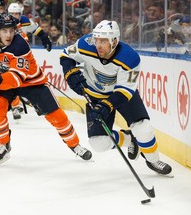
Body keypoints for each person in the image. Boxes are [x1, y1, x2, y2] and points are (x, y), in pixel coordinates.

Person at [0, 13, 92, 166]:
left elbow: (16, 78)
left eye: (11, 30)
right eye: (4, 31)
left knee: (57, 116)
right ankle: (3, 145)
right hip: (3, 81)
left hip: (32, 83)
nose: (8, 35)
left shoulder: (20, 45)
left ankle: (75, 145)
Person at [60, 20, 172, 175]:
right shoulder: (85, 44)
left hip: (121, 95)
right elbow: (65, 56)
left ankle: (153, 160)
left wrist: (107, 106)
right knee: (98, 143)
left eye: (103, 41)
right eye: (97, 40)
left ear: (114, 41)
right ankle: (129, 139)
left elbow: (124, 91)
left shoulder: (130, 58)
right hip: (95, 95)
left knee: (143, 128)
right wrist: (70, 73)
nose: (98, 45)